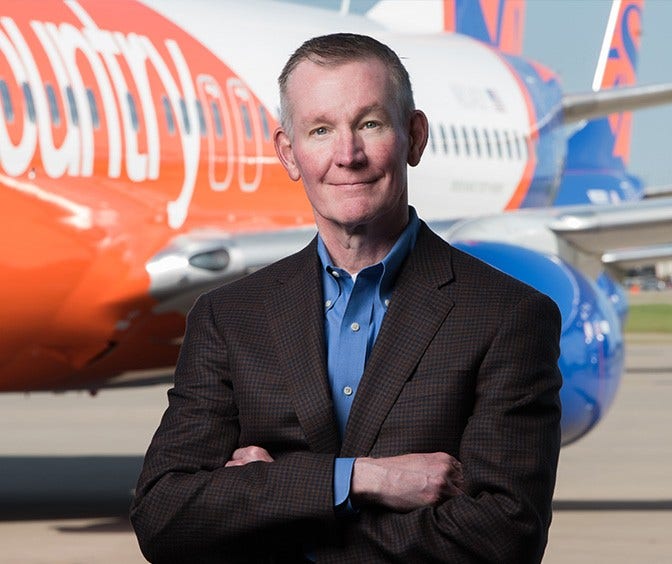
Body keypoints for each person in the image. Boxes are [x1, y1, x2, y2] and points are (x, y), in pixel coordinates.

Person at [131, 33, 562, 563]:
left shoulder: (507, 316)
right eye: (320, 130)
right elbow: (164, 516)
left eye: (370, 124)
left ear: (415, 136)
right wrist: (361, 480)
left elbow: (504, 538)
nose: (347, 155)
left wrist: (271, 506)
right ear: (289, 153)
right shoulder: (229, 318)